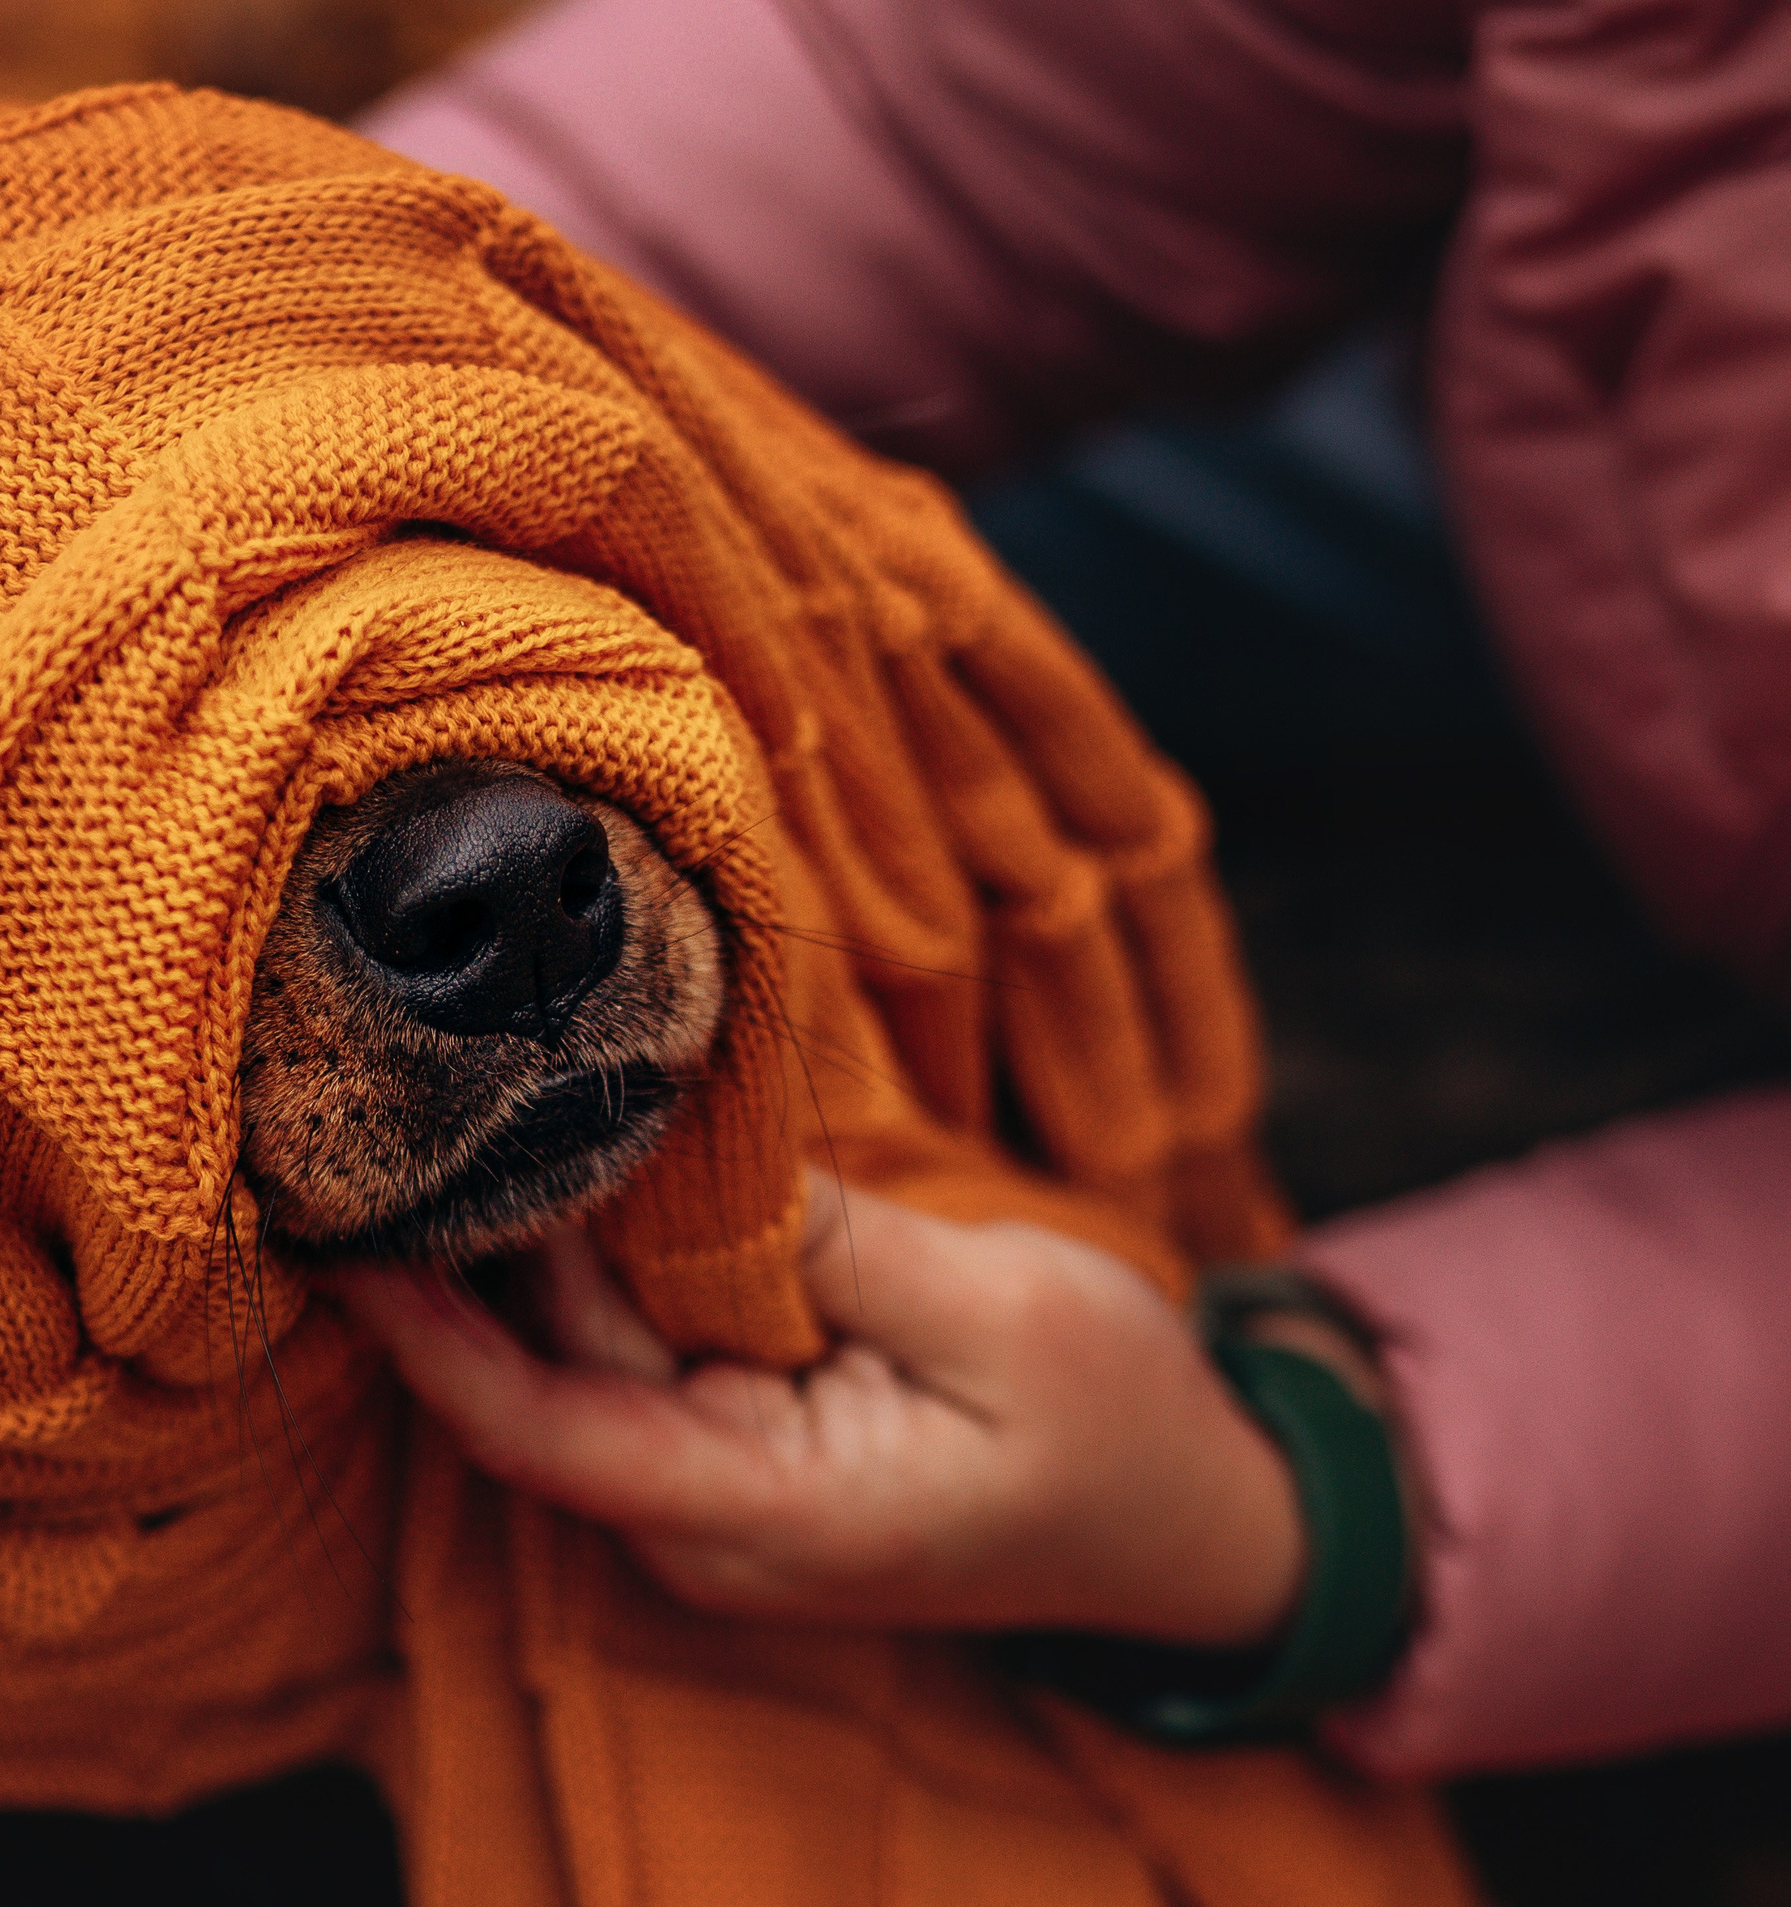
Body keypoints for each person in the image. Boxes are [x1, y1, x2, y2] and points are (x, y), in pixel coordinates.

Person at [341, 0, 1791, 1780]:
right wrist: (318, 349)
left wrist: (1305, 1486)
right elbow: (949, 126)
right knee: (778, 511)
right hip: (1563, 457)